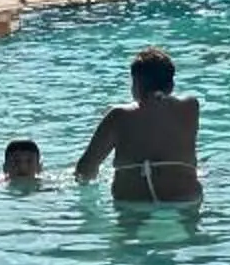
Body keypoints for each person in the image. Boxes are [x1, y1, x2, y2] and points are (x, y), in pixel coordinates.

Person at [76, 46, 202, 204]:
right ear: (171, 85)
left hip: (133, 203)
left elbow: (85, 170)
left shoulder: (118, 116)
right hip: (183, 199)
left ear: (135, 85)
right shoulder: (190, 107)